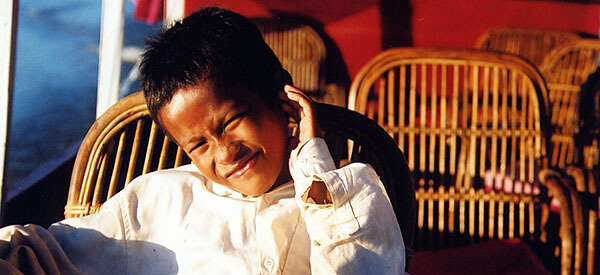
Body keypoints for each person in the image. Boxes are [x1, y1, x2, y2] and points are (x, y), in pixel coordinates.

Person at [0, 7, 405, 274]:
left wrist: (314, 166)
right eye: (198, 145)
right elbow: (42, 253)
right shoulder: (160, 201)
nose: (225, 151)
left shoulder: (347, 198)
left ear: (282, 96)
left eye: (232, 120)